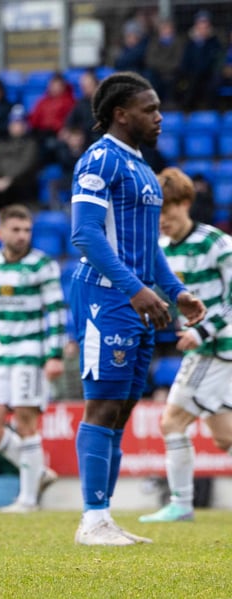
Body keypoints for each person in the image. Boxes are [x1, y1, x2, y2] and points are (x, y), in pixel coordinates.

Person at [69, 71, 205, 546]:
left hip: (135, 298)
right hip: (106, 297)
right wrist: (135, 290)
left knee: (123, 407)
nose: (160, 117)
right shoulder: (99, 160)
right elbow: (85, 235)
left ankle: (103, 518)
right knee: (102, 404)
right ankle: (91, 520)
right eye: (150, 109)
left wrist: (176, 291)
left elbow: (148, 246)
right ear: (121, 114)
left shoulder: (144, 168)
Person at [138, 168, 232, 523]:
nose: (161, 221)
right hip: (205, 348)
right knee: (225, 436)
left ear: (186, 203)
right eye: (155, 213)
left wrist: (203, 331)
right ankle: (181, 504)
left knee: (172, 421)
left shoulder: (217, 243)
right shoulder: (160, 250)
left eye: (167, 211)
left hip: (217, 347)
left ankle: (181, 504)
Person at [0, 203, 65, 514]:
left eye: (27, 230)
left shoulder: (42, 265)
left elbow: (56, 313)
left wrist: (54, 355)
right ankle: (39, 472)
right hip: (1, 355)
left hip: (31, 355)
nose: (22, 236)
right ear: (0, 232)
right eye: (16, 230)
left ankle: (28, 500)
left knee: (25, 423)